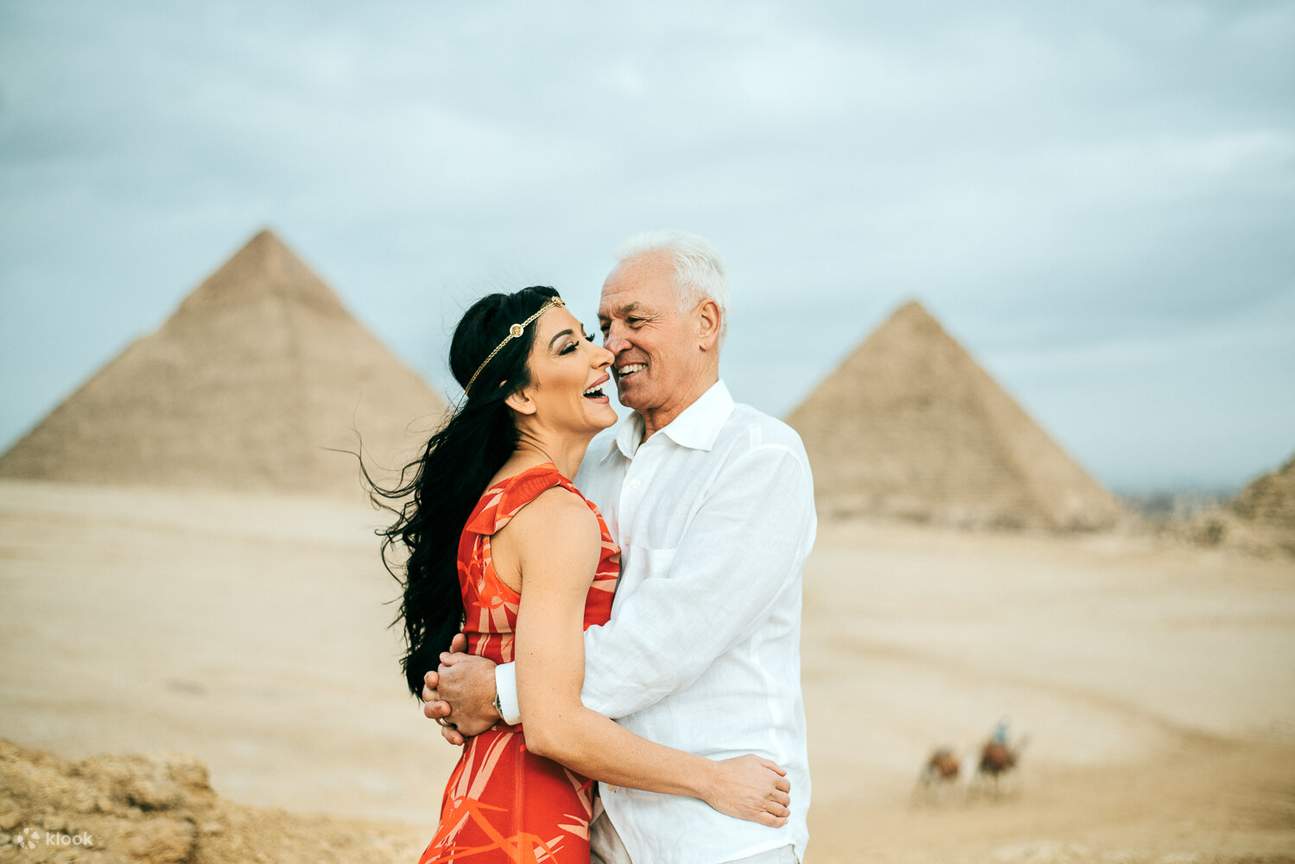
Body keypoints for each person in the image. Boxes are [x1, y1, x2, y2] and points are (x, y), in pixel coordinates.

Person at [424, 233, 817, 864]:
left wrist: (498, 693)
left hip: (718, 831)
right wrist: (456, 681)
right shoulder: (589, 464)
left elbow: (668, 639)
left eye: (637, 321)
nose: (612, 346)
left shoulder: (758, 458)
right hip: (599, 831)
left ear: (705, 323)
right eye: (604, 325)